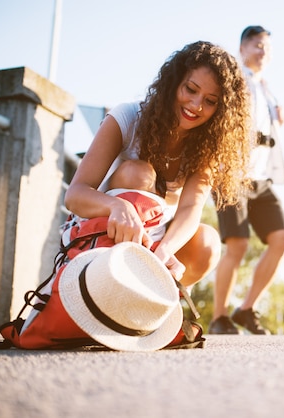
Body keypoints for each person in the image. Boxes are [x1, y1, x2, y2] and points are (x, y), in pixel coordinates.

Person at [64, 40, 251, 288]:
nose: (196, 105)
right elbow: (74, 195)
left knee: (208, 242)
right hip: (103, 235)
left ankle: (154, 303)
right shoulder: (127, 117)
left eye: (210, 101)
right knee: (139, 174)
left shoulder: (208, 147)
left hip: (157, 240)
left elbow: (189, 211)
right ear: (174, 83)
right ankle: (109, 287)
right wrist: (116, 206)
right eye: (191, 89)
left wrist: (163, 252)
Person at [210, 25, 284, 335]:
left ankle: (246, 309)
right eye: (257, 45)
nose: (263, 51)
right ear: (242, 48)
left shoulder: (266, 88)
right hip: (232, 173)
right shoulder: (234, 78)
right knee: (238, 245)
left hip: (262, 177)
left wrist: (277, 121)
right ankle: (219, 316)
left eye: (267, 47)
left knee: (281, 240)